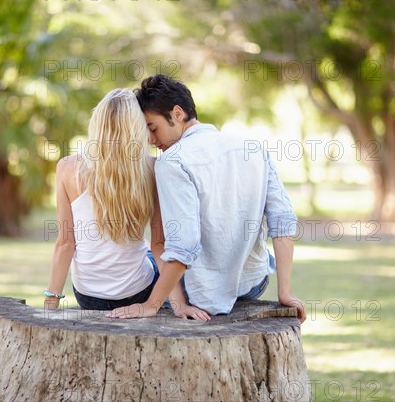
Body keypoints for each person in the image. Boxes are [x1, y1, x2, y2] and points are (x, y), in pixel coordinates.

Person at [107, 75, 306, 323]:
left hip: (200, 295)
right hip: (254, 284)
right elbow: (283, 220)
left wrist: (151, 305)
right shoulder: (253, 148)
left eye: (152, 127)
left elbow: (184, 245)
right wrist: (285, 291)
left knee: (140, 258)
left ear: (177, 113)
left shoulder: (172, 162)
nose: (150, 139)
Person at [43, 88, 209, 320]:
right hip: (137, 292)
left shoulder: (68, 167)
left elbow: (65, 244)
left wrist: (51, 300)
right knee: (166, 258)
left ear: (97, 125)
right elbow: (159, 244)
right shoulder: (153, 168)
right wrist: (179, 305)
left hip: (88, 295)